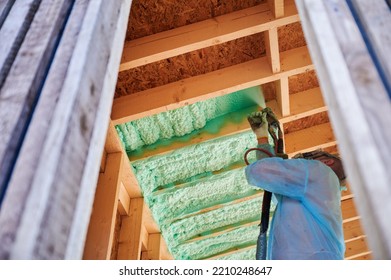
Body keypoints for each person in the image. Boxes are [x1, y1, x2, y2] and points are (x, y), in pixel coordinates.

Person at [245, 109, 346, 260]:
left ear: (327, 162)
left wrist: (263, 138)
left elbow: (260, 171)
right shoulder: (319, 191)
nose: (302, 160)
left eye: (310, 157)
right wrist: (262, 137)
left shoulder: (321, 171)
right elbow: (272, 181)